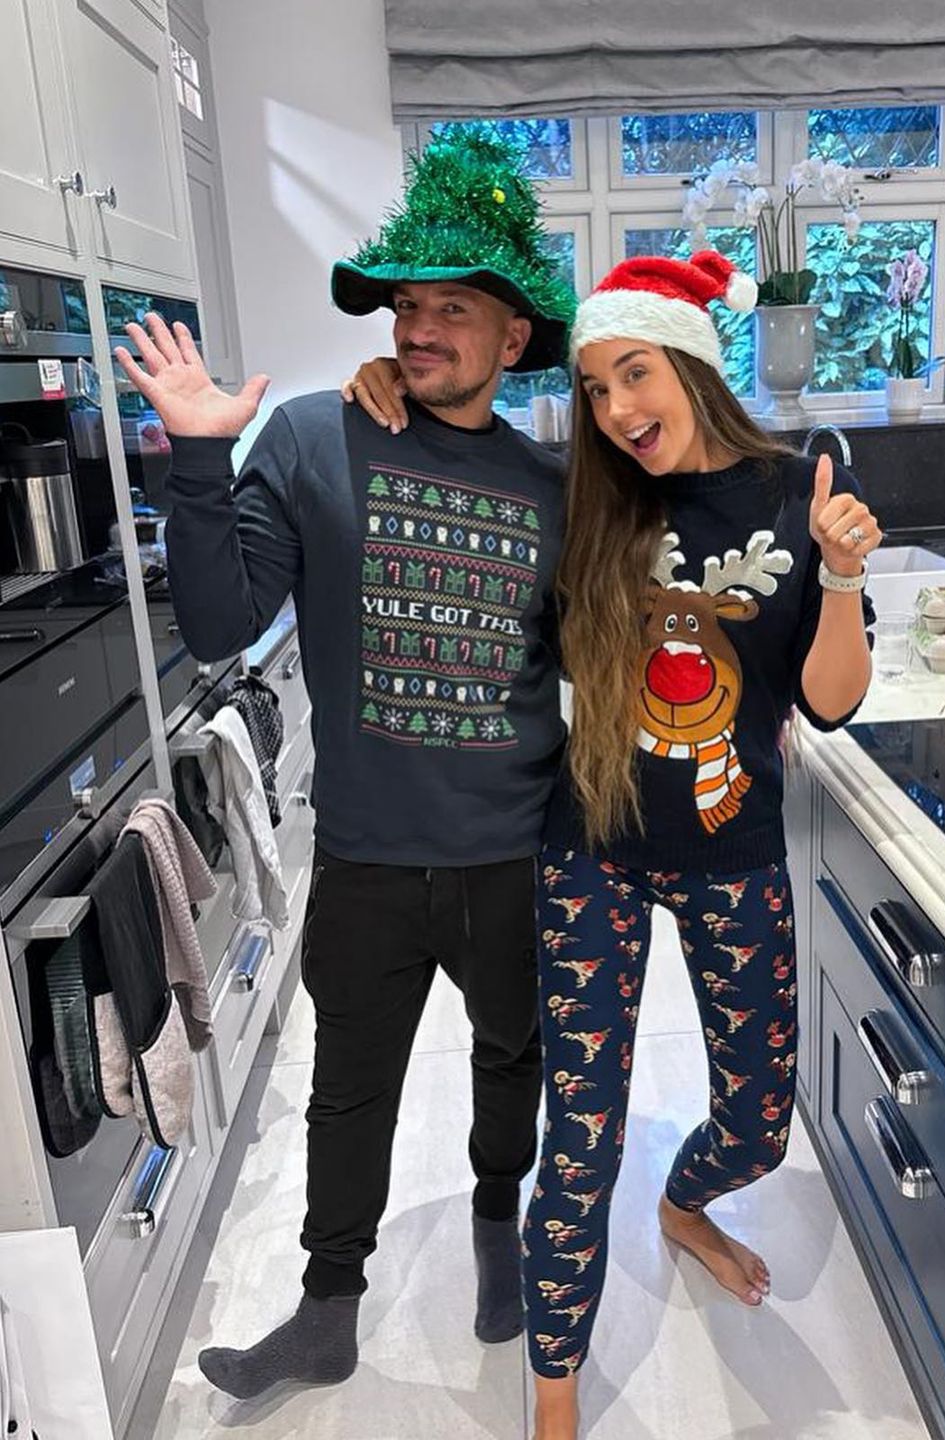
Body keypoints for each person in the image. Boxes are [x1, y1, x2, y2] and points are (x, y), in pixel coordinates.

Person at [348, 249, 879, 1440]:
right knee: (580, 1130)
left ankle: (685, 1208)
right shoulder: (582, 496)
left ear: (689, 360)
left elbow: (832, 703)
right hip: (587, 848)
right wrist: (383, 388)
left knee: (758, 1118)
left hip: (733, 847)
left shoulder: (799, 492)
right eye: (592, 389)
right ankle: (552, 1395)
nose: (616, 411)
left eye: (633, 374)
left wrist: (842, 576)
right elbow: (448, 459)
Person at [113, 127, 578, 1401]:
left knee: (511, 1058)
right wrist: (198, 457)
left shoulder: (553, 486)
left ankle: (497, 1231)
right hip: (369, 855)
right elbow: (217, 625)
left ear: (513, 339)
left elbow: (594, 656)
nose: (421, 329)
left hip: (514, 851)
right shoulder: (318, 439)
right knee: (349, 1091)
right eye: (408, 306)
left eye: (454, 310)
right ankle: (328, 1309)